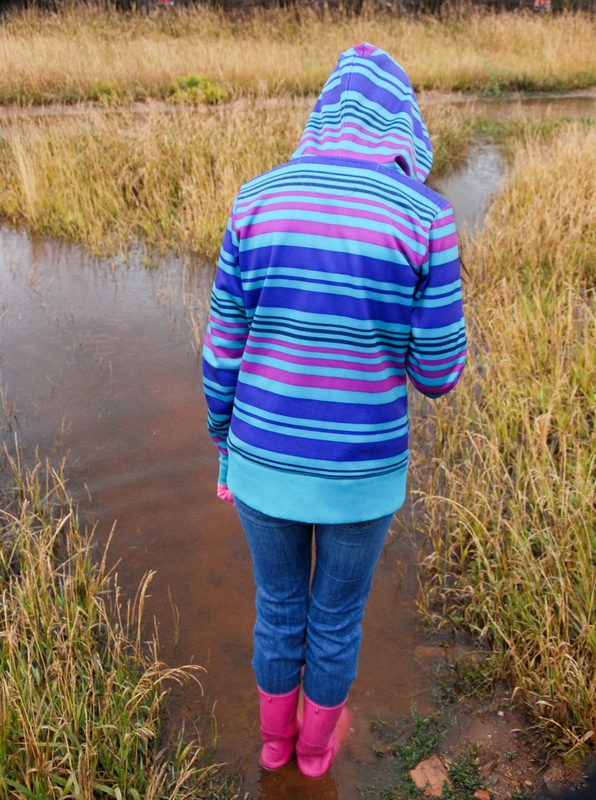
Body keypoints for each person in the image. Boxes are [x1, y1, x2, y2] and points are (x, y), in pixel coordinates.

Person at [202, 42, 466, 778]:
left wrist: (225, 441)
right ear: (403, 123)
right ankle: (316, 756)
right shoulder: (427, 216)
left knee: (278, 608)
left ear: (323, 115)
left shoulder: (255, 197)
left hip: (261, 458)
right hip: (363, 470)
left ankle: (272, 746)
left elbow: (222, 346)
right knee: (335, 620)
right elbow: (439, 374)